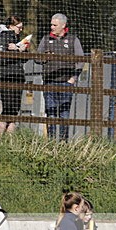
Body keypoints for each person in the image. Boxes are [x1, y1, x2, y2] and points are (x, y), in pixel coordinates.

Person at [37, 13, 84, 141]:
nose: (51, 27)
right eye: (51, 24)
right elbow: (37, 58)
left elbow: (81, 60)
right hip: (49, 82)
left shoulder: (73, 40)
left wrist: (73, 78)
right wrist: (44, 57)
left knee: (64, 114)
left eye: (54, 25)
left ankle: (63, 142)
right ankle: (51, 141)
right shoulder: (45, 39)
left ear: (63, 25)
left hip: (66, 83)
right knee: (50, 113)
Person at [0, 15, 28, 134]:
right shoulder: (3, 38)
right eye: (19, 27)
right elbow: (0, 59)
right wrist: (17, 51)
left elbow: (24, 59)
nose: (21, 30)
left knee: (14, 112)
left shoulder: (17, 39)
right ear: (11, 26)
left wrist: (22, 50)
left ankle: (10, 143)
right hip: (6, 77)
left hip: (17, 76)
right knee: (7, 109)